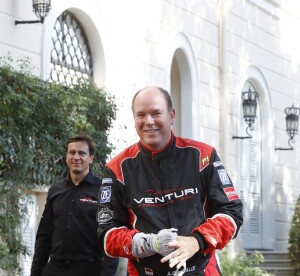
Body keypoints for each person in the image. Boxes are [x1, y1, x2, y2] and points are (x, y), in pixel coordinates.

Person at [97, 86, 243, 276]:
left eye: (156, 113)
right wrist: (148, 243)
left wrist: (196, 241)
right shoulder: (117, 169)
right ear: (134, 121)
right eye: (141, 115)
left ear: (172, 116)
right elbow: (106, 235)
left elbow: (232, 213)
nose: (149, 122)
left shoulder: (203, 156)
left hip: (202, 269)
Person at [30, 135, 119, 276]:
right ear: (66, 157)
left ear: (91, 158)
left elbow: (111, 237)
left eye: (82, 153)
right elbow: (44, 236)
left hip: (89, 270)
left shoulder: (104, 190)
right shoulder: (55, 191)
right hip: (55, 269)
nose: (76, 157)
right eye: (72, 152)